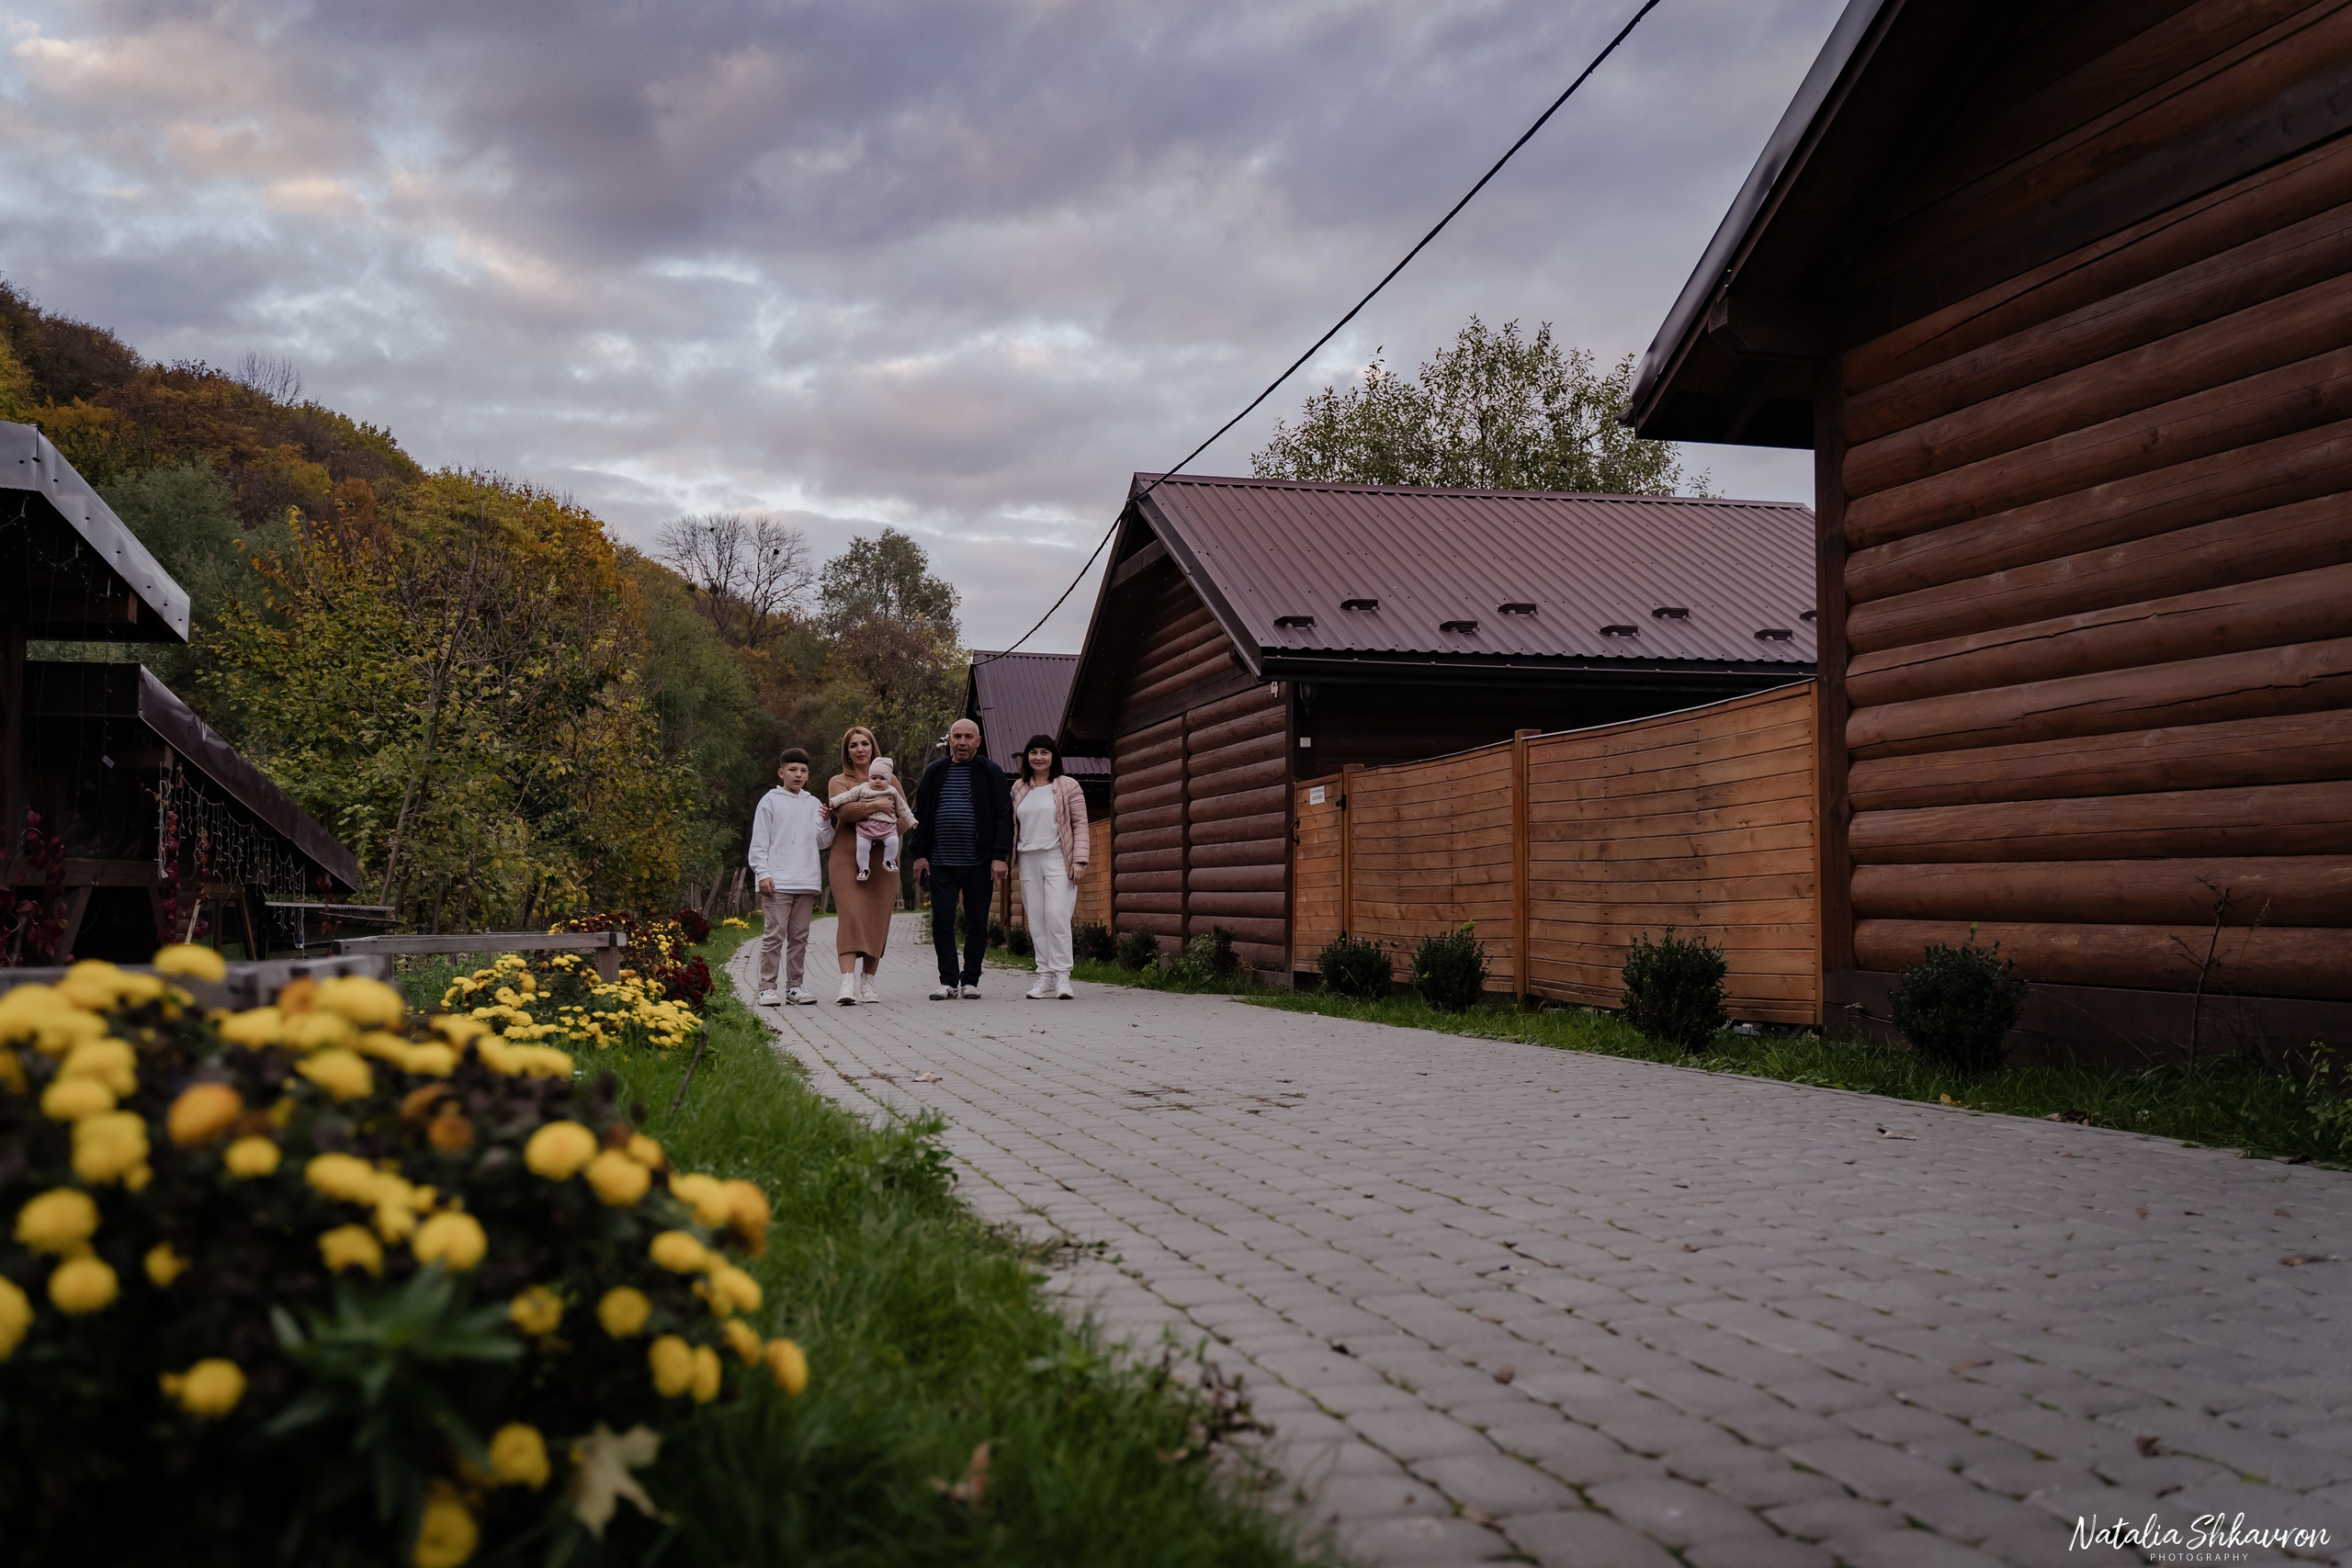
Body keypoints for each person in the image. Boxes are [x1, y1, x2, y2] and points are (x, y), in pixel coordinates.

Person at [909, 717, 1011, 1000]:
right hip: (941, 861)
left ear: (978, 742)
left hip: (979, 863)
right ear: (950, 740)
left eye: (968, 737)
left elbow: (1004, 816)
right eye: (957, 736)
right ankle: (949, 981)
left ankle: (971, 981)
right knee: (941, 921)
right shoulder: (934, 771)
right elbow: (919, 815)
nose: (962, 742)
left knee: (977, 923)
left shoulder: (991, 772)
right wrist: (919, 854)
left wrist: (999, 856)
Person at [823, 726, 903, 1005]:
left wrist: (885, 833)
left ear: (873, 747)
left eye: (865, 744)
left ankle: (868, 984)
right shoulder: (839, 781)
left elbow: (902, 818)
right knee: (851, 916)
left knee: (876, 919)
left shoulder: (889, 778)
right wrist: (875, 806)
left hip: (883, 860)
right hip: (847, 857)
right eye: (854, 745)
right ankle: (846, 984)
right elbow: (843, 811)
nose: (860, 749)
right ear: (847, 752)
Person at [748, 747, 832, 1007]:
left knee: (799, 937)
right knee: (774, 936)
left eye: (803, 771)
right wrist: (762, 873)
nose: (798, 775)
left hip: (806, 880)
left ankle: (795, 986)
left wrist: (826, 822)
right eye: (793, 770)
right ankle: (767, 987)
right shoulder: (770, 801)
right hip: (777, 881)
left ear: (808, 774)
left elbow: (824, 842)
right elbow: (759, 841)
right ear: (781, 772)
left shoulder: (814, 803)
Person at [1010, 733, 1088, 1000]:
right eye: (1033, 752)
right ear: (1027, 757)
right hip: (1028, 859)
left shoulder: (1068, 786)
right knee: (1037, 920)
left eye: (1044, 752)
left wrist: (1079, 860)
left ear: (1053, 756)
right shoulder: (1019, 788)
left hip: (1058, 857)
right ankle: (1045, 976)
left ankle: (1063, 976)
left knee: (1057, 915)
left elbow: (1079, 825)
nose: (1038, 757)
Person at [829, 756, 917, 882]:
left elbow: (903, 808)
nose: (877, 781)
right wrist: (834, 802)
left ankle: (888, 860)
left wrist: (912, 821)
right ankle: (863, 868)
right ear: (869, 778)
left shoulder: (892, 791)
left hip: (888, 827)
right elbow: (848, 796)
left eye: (882, 778)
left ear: (888, 780)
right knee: (862, 847)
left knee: (893, 842)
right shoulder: (863, 788)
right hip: (866, 827)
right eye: (874, 778)